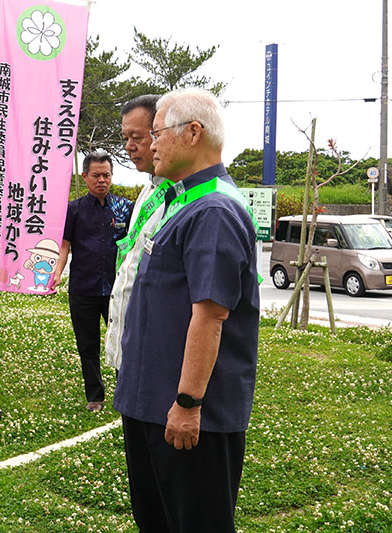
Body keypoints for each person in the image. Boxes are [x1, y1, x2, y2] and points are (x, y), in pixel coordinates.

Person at [113, 88, 259, 531]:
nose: (150, 145)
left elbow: (210, 315)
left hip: (185, 414)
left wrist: (188, 403)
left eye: (157, 133)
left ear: (193, 133)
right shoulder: (179, 198)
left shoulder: (213, 208)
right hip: (151, 403)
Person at [53, 151, 132, 412]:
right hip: (83, 288)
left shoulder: (125, 208)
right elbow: (64, 247)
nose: (102, 180)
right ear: (85, 176)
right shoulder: (73, 210)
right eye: (96, 175)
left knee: (122, 341)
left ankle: (125, 391)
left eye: (106, 175)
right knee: (88, 345)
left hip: (117, 289)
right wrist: (56, 274)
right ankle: (95, 396)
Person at [104, 95, 165, 376]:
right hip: (129, 345)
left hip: (153, 353)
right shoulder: (147, 190)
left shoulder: (186, 198)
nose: (129, 147)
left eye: (136, 137)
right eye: (125, 137)